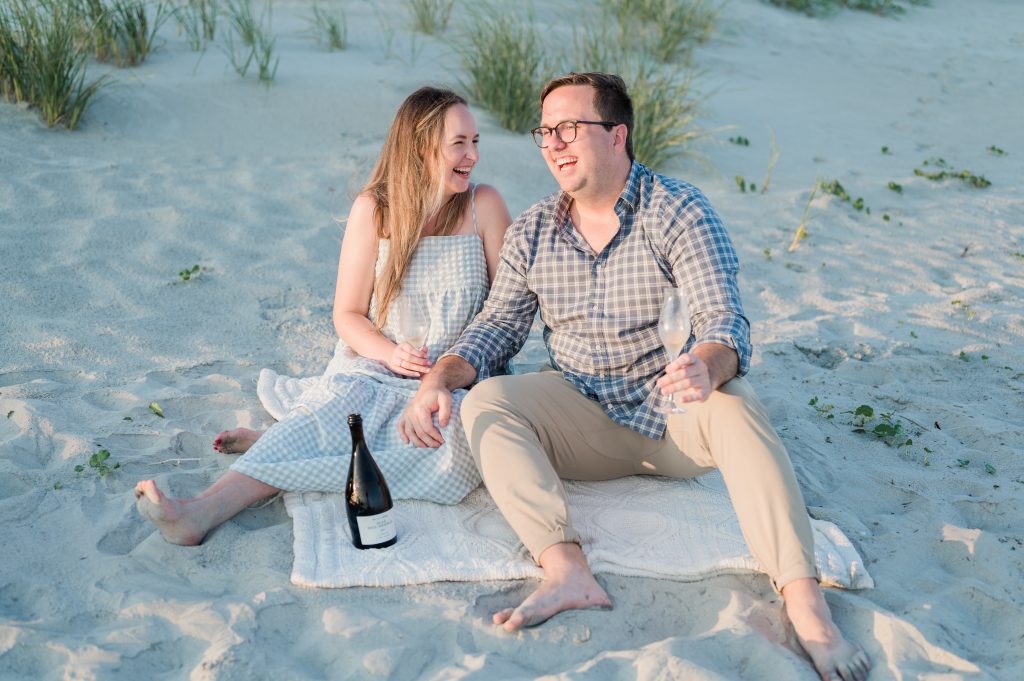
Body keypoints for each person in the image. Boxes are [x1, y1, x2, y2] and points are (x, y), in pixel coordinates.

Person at [397, 73, 871, 681]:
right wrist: (439, 378)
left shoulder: (678, 209)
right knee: (487, 399)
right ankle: (567, 571)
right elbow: (497, 329)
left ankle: (806, 605)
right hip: (580, 415)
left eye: (570, 128)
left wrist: (707, 365)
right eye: (545, 132)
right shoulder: (534, 229)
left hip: (673, 415)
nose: (553, 144)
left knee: (737, 402)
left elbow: (724, 321)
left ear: (616, 135)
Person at [134, 86, 511, 544]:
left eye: (476, 142)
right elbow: (348, 315)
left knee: (446, 451)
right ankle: (199, 512)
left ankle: (286, 449)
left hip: (458, 380)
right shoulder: (375, 210)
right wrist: (390, 354)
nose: (473, 155)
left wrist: (447, 376)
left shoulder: (484, 205)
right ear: (420, 147)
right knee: (340, 411)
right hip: (378, 368)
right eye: (459, 143)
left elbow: (505, 313)